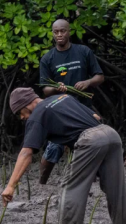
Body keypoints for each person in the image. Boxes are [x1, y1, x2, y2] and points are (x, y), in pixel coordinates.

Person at [2, 88, 126, 224]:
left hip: (91, 140)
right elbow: (95, 116)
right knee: (116, 186)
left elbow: (26, 153)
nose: (21, 117)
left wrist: (11, 186)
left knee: (71, 185)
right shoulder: (63, 97)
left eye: (20, 113)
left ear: (26, 104)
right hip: (111, 135)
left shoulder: (37, 114)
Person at [38, 19, 104, 183]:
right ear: (52, 34)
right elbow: (45, 89)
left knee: (95, 142)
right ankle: (42, 183)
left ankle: (94, 178)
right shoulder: (48, 59)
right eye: (56, 32)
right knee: (54, 147)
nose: (60, 35)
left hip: (84, 108)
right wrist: (55, 88)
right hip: (60, 111)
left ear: (69, 31)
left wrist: (87, 82)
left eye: (63, 31)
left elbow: (100, 76)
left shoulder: (83, 51)